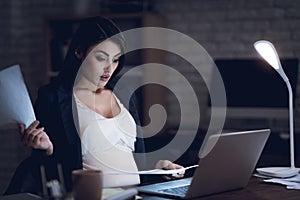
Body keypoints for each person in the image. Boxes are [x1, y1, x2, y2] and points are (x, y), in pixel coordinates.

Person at [5, 16, 183, 195]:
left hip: (137, 195)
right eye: (100, 58)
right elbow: (51, 170)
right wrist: (47, 150)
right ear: (79, 52)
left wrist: (159, 167)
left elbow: (133, 157)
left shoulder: (124, 92)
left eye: (115, 60)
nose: (109, 68)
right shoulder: (53, 97)